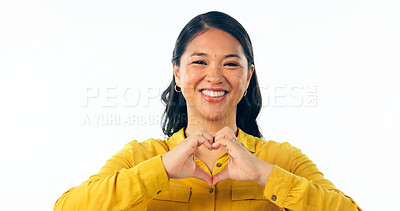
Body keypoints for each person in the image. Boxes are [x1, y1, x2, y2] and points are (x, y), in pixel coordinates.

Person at [54, 11, 362, 211]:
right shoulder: (140, 157)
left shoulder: (283, 160)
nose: (214, 76)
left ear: (248, 76)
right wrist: (160, 170)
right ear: (177, 73)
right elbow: (66, 207)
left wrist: (264, 175)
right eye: (199, 62)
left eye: (230, 63)